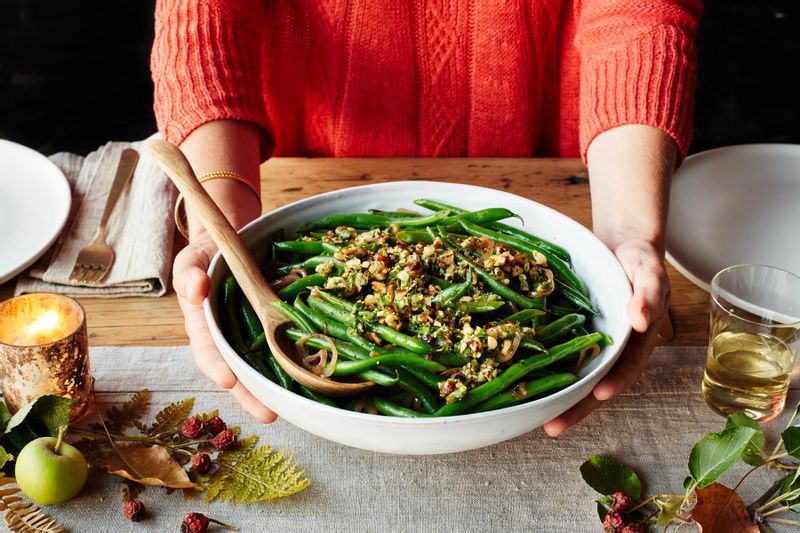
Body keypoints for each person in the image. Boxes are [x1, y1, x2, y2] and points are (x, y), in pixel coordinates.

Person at [151, 0, 702, 435]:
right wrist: (221, 219)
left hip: (550, 144)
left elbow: (637, 15)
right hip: (315, 149)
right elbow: (205, 16)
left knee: (532, 317)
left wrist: (630, 227)